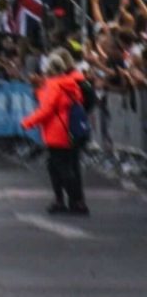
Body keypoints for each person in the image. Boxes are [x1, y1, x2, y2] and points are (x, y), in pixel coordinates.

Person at [21, 48, 89, 215]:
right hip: (66, 129)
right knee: (60, 166)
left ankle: (74, 200)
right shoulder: (69, 84)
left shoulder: (53, 86)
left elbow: (47, 109)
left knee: (60, 168)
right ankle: (73, 200)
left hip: (56, 131)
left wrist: (27, 122)